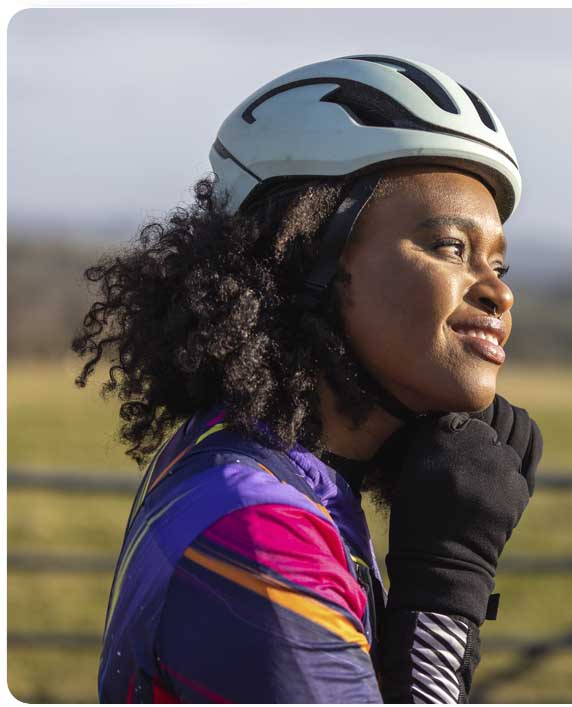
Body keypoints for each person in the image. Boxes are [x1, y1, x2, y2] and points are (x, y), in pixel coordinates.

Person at [75, 54, 543, 703]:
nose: (497, 293)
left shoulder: (271, 464)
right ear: (303, 259)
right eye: (449, 247)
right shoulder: (261, 529)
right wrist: (445, 584)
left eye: (500, 263)